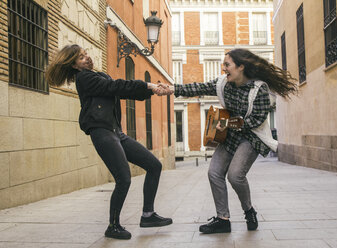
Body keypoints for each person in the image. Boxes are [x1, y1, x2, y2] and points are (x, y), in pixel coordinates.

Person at [45, 44, 172, 240]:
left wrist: (151, 90)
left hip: (116, 132)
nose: (86, 58)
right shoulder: (85, 78)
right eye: (80, 58)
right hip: (102, 133)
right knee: (124, 178)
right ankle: (113, 226)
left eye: (85, 54)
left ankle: (148, 215)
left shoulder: (97, 76)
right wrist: (147, 85)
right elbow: (115, 86)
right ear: (74, 66)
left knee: (154, 165)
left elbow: (120, 90)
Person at [165, 48, 297, 234]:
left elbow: (257, 119)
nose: (223, 68)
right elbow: (200, 87)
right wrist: (173, 89)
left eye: (227, 64)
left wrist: (228, 124)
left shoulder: (259, 88)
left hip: (251, 137)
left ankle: (249, 211)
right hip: (230, 137)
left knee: (235, 176)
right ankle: (222, 219)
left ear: (241, 67)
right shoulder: (223, 83)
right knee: (214, 173)